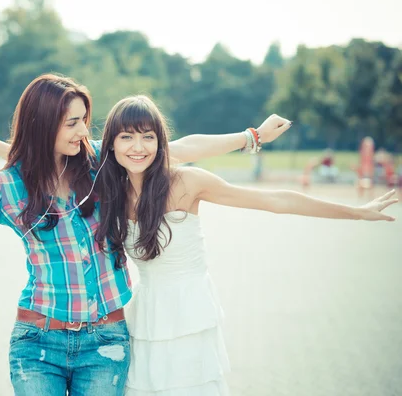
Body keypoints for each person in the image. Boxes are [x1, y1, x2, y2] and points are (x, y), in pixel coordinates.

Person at [0, 74, 292, 396]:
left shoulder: (101, 167)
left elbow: (178, 148)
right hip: (35, 343)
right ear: (45, 125)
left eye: (86, 119)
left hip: (106, 341)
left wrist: (249, 136)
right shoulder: (7, 187)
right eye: (73, 122)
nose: (86, 131)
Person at [92, 95, 397, 395]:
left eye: (148, 137)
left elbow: (276, 201)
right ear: (112, 144)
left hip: (189, 314)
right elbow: (184, 146)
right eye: (126, 137)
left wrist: (355, 213)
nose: (138, 146)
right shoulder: (110, 188)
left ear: (160, 143)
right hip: (144, 316)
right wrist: (252, 136)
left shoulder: (185, 183)